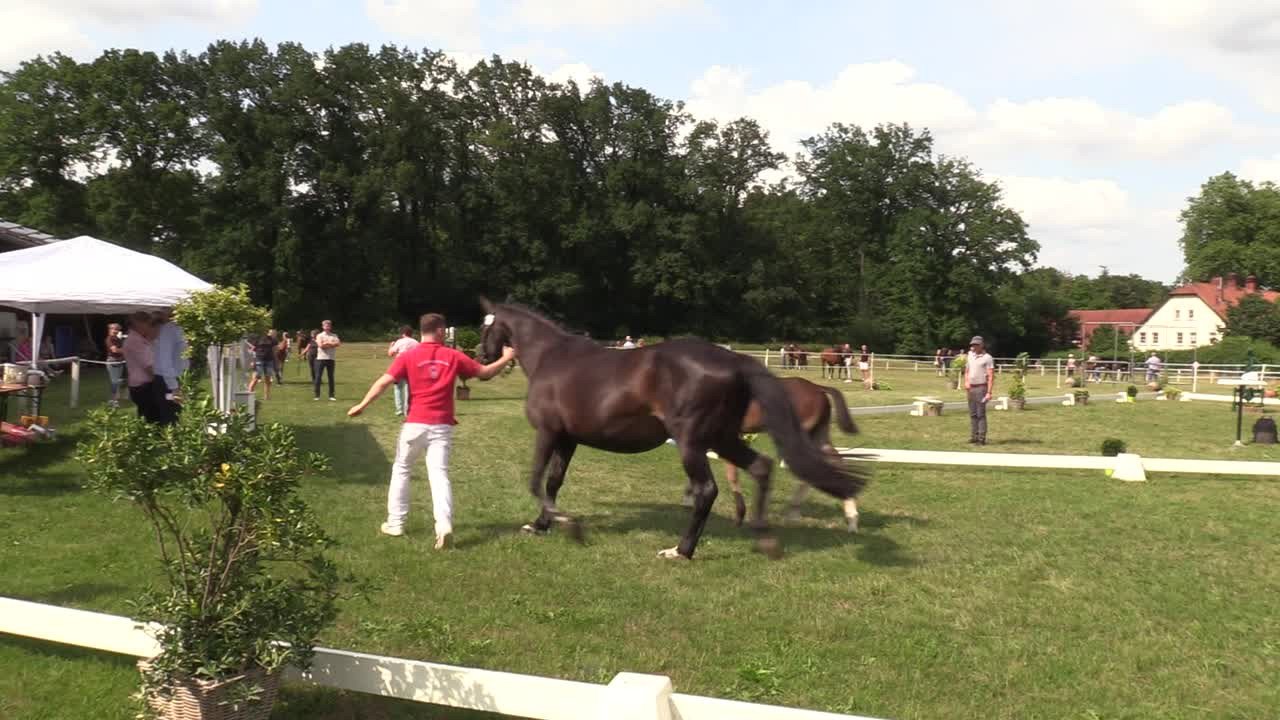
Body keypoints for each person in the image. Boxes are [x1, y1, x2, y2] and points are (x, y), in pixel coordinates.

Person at [347, 313, 517, 549]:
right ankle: (444, 526)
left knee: (402, 469)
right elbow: (485, 373)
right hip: (442, 426)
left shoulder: (408, 355)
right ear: (439, 331)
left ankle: (395, 524)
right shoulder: (453, 355)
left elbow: (384, 382)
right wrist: (507, 357)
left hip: (415, 424)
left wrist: (362, 405)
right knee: (439, 475)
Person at [123, 312, 163, 423]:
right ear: (139, 324)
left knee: (150, 417)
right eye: (148, 324)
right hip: (144, 387)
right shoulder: (135, 341)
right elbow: (149, 366)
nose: (149, 327)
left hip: (144, 386)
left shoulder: (140, 339)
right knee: (153, 419)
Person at [151, 308, 187, 423]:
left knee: (175, 416)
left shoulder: (178, 328)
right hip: (167, 381)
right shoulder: (169, 329)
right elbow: (164, 360)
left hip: (176, 378)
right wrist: (174, 387)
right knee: (170, 418)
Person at [965, 336, 995, 445]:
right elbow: (967, 370)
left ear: (982, 345)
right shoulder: (970, 356)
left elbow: (991, 376)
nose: (974, 346)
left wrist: (989, 392)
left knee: (980, 414)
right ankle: (974, 436)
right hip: (971, 388)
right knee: (972, 414)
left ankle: (982, 438)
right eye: (972, 344)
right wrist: (966, 382)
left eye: (976, 344)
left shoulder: (987, 358)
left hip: (981, 388)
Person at [387, 325, 420, 416]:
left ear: (403, 333)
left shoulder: (399, 341)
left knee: (398, 388)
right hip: (411, 367)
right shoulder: (416, 342)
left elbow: (390, 353)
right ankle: (407, 410)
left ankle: (399, 409)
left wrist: (391, 346)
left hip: (399, 366)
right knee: (408, 389)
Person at [313, 320, 340, 401]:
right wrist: (331, 344)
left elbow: (338, 343)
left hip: (331, 359)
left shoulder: (334, 335)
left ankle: (331, 395)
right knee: (318, 377)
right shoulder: (319, 335)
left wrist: (327, 343)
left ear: (330, 326)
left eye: (328, 325)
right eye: (325, 325)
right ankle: (317, 395)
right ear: (323, 326)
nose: (327, 327)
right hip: (321, 358)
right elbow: (321, 345)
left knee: (331, 377)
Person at [248, 330, 277, 400]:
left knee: (268, 379)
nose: (273, 334)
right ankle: (249, 394)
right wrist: (252, 360)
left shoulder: (273, 341)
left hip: (269, 361)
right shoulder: (258, 339)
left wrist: (275, 361)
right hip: (259, 360)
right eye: (272, 333)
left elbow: (275, 350)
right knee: (256, 378)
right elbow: (252, 349)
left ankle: (266, 396)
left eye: (274, 333)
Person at [104, 323, 126, 408]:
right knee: (114, 382)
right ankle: (114, 401)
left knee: (119, 381)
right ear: (110, 329)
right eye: (114, 329)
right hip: (112, 362)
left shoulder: (118, 339)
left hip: (120, 361)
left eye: (117, 329)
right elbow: (114, 350)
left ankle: (113, 399)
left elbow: (121, 349)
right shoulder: (109, 339)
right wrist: (125, 350)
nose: (116, 331)